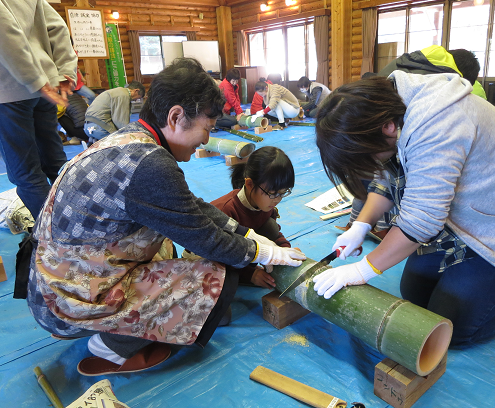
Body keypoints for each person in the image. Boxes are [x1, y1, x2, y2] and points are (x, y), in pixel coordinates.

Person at [22, 58, 306, 376]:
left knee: (169, 249)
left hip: (52, 282)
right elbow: (207, 240)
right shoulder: (152, 164)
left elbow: (192, 207)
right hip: (64, 296)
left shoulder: (132, 139)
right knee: (217, 280)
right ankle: (112, 348)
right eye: (206, 130)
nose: (205, 140)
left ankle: (89, 317)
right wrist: (264, 252)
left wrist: (248, 234)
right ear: (175, 116)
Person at [312, 72, 495, 347]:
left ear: (385, 127)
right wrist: (361, 225)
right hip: (464, 221)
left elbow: (421, 221)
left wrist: (361, 270)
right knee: (415, 292)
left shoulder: (436, 123)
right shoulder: (388, 113)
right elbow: (387, 175)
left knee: (452, 328)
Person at [340, 45, 488, 234]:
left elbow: (423, 214)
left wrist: (366, 263)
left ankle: (374, 226)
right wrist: (361, 226)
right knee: (384, 172)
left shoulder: (438, 109)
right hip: (379, 132)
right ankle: (371, 226)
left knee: (391, 176)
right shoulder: (430, 92)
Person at [0, 0, 77, 220]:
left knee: (26, 174)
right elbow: (58, 27)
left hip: (10, 88)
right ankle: (84, 226)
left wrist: (32, 79)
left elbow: (5, 33)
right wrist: (64, 72)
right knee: (55, 163)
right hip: (46, 86)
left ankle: (55, 241)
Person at [211, 146, 295, 289]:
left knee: (270, 225)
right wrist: (250, 275)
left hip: (243, 250)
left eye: (283, 193)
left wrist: (285, 250)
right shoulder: (226, 211)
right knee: (224, 286)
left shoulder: (264, 204)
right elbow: (220, 256)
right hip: (212, 259)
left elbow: (273, 234)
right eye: (273, 193)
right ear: (249, 184)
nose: (277, 199)